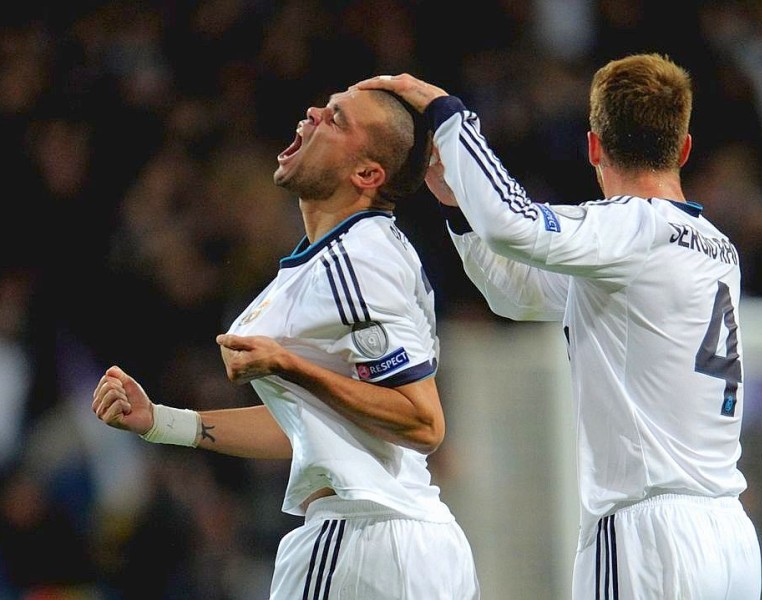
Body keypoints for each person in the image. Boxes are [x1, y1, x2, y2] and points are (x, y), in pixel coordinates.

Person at [354, 53, 762, 599]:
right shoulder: (716, 249)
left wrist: (451, 118)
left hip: (650, 537)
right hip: (729, 537)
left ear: (593, 146)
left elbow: (515, 224)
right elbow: (515, 293)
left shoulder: (631, 227)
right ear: (683, 148)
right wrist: (458, 207)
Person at [92, 86, 480, 599]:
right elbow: (311, 423)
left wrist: (289, 365)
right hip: (402, 541)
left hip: (363, 540)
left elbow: (424, 421)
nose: (315, 113)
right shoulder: (348, 255)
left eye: (337, 119)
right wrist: (162, 422)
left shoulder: (355, 263)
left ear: (366, 174)